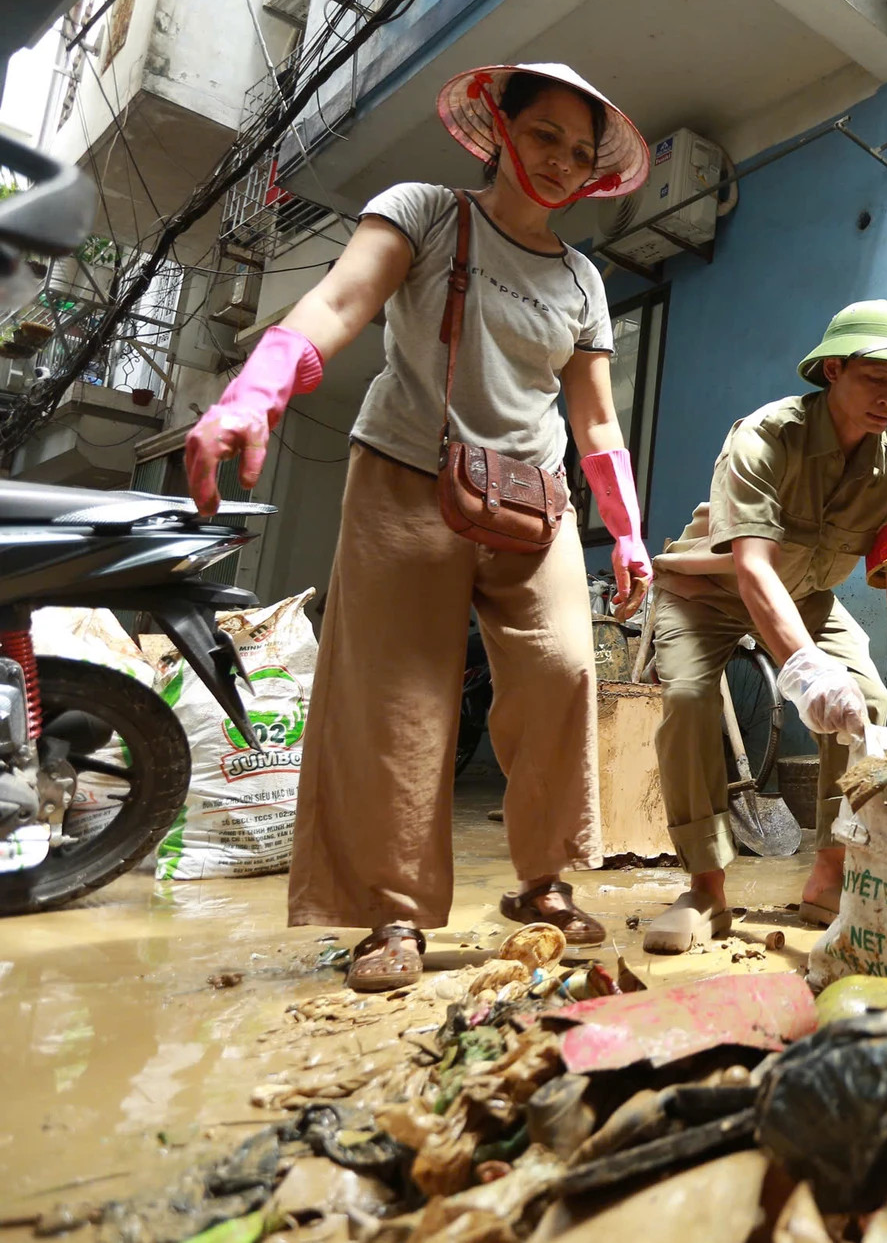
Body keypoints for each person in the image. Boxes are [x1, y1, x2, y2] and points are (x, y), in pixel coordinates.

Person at [183, 63, 656, 990]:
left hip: (534, 498)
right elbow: (341, 301)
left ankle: (542, 881)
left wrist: (626, 529)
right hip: (406, 479)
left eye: (579, 149)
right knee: (398, 699)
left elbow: (596, 421)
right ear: (497, 126)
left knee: (562, 669)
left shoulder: (583, 280)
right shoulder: (430, 212)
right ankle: (387, 915)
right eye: (544, 134)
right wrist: (256, 392)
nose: (561, 159)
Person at [641, 300, 887, 954]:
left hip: (806, 595)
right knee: (687, 699)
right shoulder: (764, 436)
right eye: (877, 378)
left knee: (872, 702)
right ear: (834, 369)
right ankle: (706, 889)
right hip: (706, 591)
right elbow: (753, 567)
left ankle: (831, 873)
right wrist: (807, 668)